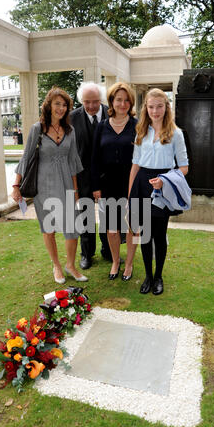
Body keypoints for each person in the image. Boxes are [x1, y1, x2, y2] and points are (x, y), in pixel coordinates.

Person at [12, 86, 87, 284]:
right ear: (49, 105)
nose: (61, 108)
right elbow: (26, 158)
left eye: (64, 105)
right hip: (43, 186)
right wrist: (15, 185)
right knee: (49, 228)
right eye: (57, 104)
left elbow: (73, 163)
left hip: (66, 183)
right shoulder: (37, 129)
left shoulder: (70, 131)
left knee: (72, 226)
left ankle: (71, 265)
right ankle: (56, 266)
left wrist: (76, 191)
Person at [128, 88, 189, 296]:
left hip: (163, 186)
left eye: (159, 106)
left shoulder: (176, 133)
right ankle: (148, 275)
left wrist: (164, 181)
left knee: (159, 234)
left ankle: (159, 276)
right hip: (141, 184)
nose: (155, 111)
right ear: (146, 108)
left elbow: (184, 167)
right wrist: (130, 195)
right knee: (144, 235)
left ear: (166, 107)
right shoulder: (141, 131)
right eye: (151, 106)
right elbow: (135, 165)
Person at [91, 82, 138, 281]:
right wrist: (95, 187)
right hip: (108, 184)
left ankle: (129, 264)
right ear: (111, 101)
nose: (123, 103)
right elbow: (94, 158)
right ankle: (116, 261)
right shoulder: (101, 127)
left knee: (133, 227)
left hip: (133, 184)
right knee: (111, 228)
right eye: (119, 99)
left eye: (127, 100)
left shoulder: (138, 126)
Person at [70, 82, 112, 269]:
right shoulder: (71, 118)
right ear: (81, 101)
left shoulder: (112, 113)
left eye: (95, 101)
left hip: (107, 176)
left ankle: (108, 249)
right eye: (87, 102)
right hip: (83, 176)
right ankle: (87, 253)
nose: (92, 106)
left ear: (101, 100)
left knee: (108, 214)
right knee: (85, 216)